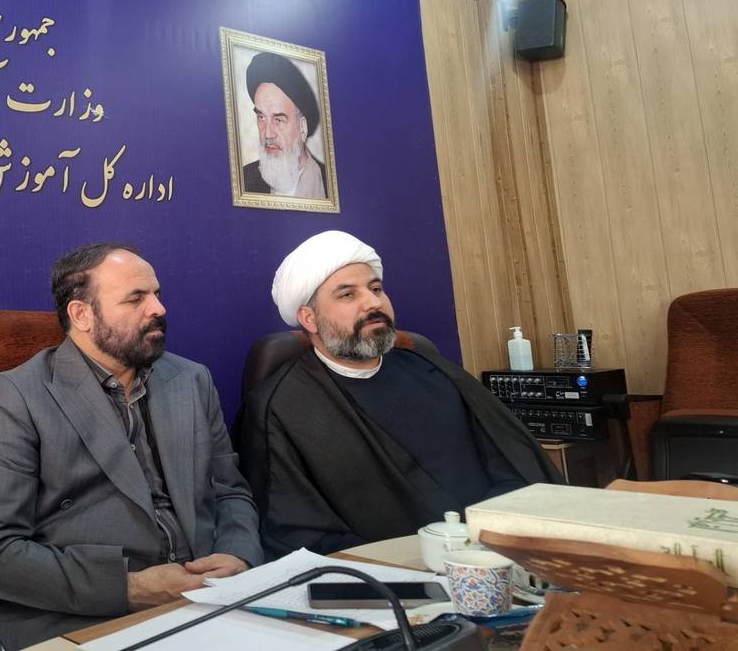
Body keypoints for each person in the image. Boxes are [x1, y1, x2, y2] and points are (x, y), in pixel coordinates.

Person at [0, 243, 262, 650]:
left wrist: (238, 555)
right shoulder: (15, 396)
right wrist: (132, 588)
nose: (159, 308)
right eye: (136, 299)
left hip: (207, 601)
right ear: (81, 315)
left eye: (157, 294)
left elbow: (229, 491)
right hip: (83, 615)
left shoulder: (191, 380)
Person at [237, 231, 560, 560]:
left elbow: (515, 466)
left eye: (376, 289)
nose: (373, 303)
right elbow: (296, 532)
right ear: (309, 318)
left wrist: (487, 540)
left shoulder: (436, 372)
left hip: (494, 554)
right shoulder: (281, 408)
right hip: (387, 574)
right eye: (348, 295)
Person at [241, 51, 328, 199]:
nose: (268, 134)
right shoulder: (244, 180)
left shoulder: (328, 183)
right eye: (261, 117)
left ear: (302, 128)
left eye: (278, 120)